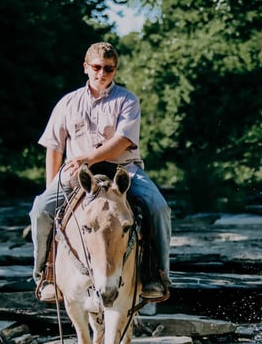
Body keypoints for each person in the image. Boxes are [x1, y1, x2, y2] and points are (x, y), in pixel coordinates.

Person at [29, 42, 171, 302]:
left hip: (123, 170)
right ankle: (46, 276)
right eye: (96, 67)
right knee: (40, 209)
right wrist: (52, 186)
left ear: (115, 70)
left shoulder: (127, 100)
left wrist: (90, 157)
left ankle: (155, 275)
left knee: (157, 207)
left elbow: (123, 140)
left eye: (109, 68)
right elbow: (53, 147)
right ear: (86, 67)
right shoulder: (68, 103)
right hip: (77, 172)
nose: (102, 73)